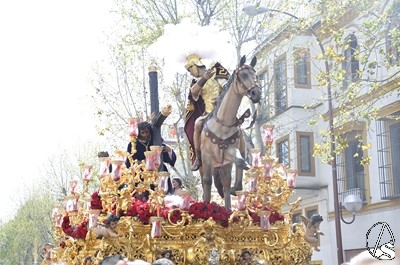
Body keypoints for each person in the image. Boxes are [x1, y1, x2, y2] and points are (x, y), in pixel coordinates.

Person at [183, 54, 230, 171]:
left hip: (222, 109)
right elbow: (194, 92)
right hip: (208, 113)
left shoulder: (217, 70)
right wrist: (204, 78)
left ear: (195, 66)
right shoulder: (197, 81)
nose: (191, 74)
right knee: (197, 124)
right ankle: (198, 157)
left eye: (190, 71)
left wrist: (220, 99)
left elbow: (228, 87)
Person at [125, 121, 177, 193]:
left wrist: (169, 150)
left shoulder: (156, 140)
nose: (145, 135)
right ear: (138, 133)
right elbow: (129, 163)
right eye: (142, 133)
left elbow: (168, 158)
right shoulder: (132, 145)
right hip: (141, 174)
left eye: (147, 132)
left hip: (159, 172)